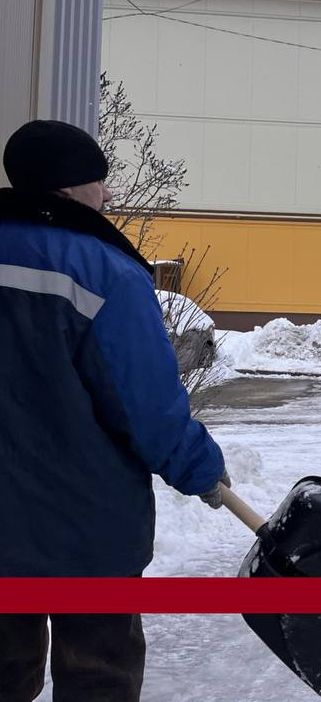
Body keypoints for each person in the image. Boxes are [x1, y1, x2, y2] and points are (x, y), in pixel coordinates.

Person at [0, 120, 229, 702]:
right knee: (97, 675)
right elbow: (146, 406)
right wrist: (199, 467)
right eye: (100, 182)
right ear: (71, 189)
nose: (106, 195)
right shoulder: (105, 272)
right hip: (88, 528)